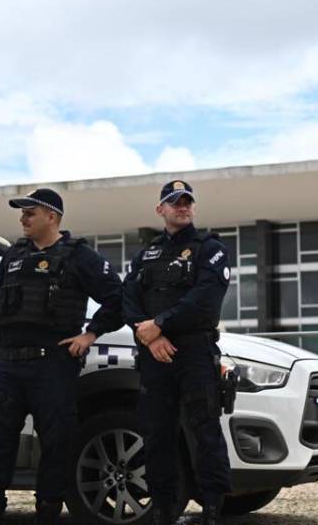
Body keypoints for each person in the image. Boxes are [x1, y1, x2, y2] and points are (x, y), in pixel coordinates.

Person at [0, 188, 125, 524]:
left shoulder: (79, 256)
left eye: (30, 213)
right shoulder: (12, 256)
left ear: (51, 217)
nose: (22, 218)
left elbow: (118, 299)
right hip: (9, 365)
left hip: (52, 366)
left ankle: (48, 511)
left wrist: (91, 333)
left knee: (57, 446)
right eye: (22, 213)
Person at [123, 180, 232, 525]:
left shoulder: (209, 249)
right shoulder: (147, 254)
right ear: (161, 210)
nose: (182, 207)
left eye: (187, 202)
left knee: (205, 430)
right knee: (157, 433)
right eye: (175, 202)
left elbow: (204, 299)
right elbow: (129, 300)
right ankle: (162, 507)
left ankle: (213, 507)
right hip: (155, 356)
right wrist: (151, 337)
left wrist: (160, 324)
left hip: (195, 353)